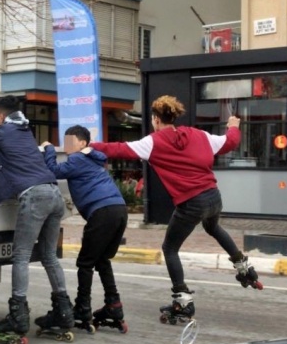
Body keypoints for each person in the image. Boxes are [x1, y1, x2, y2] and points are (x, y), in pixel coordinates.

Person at [90, 95, 262, 323]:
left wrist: (87, 147)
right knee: (213, 227)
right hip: (213, 196)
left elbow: (118, 149)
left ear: (155, 119)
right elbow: (230, 142)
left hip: (191, 203)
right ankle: (243, 267)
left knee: (170, 247)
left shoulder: (153, 141)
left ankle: (183, 301)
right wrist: (233, 127)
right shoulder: (198, 135)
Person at [0, 95, 73, 344]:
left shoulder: (2, 131)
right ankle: (64, 312)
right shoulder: (25, 130)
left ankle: (18, 316)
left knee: (20, 256)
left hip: (34, 196)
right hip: (54, 193)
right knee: (49, 256)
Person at [40, 125, 128, 332]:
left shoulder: (78, 159)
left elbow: (54, 171)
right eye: (65, 140)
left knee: (85, 263)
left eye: (71, 140)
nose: (68, 144)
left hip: (102, 212)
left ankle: (82, 308)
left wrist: (49, 149)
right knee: (102, 260)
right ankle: (113, 305)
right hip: (119, 209)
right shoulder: (95, 159)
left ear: (82, 143)